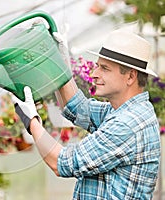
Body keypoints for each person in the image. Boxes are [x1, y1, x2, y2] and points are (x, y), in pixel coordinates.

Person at [12, 30, 161, 199]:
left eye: (104, 68)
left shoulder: (127, 124)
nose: (94, 74)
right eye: (97, 66)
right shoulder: (126, 110)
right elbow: (79, 109)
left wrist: (31, 120)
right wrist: (60, 67)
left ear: (130, 76)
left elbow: (61, 163)